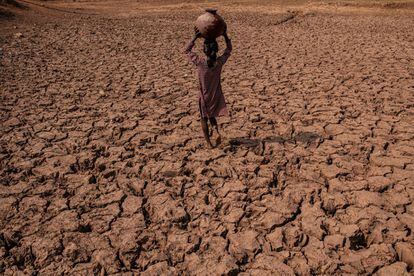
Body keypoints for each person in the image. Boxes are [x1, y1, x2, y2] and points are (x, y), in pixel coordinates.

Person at [184, 26, 232, 148]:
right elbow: (229, 50)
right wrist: (225, 36)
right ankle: (216, 131)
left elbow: (186, 50)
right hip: (215, 95)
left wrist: (195, 37)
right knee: (212, 116)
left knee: (203, 118)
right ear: (216, 50)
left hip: (204, 96)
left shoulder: (200, 62)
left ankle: (208, 142)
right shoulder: (219, 63)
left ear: (204, 50)